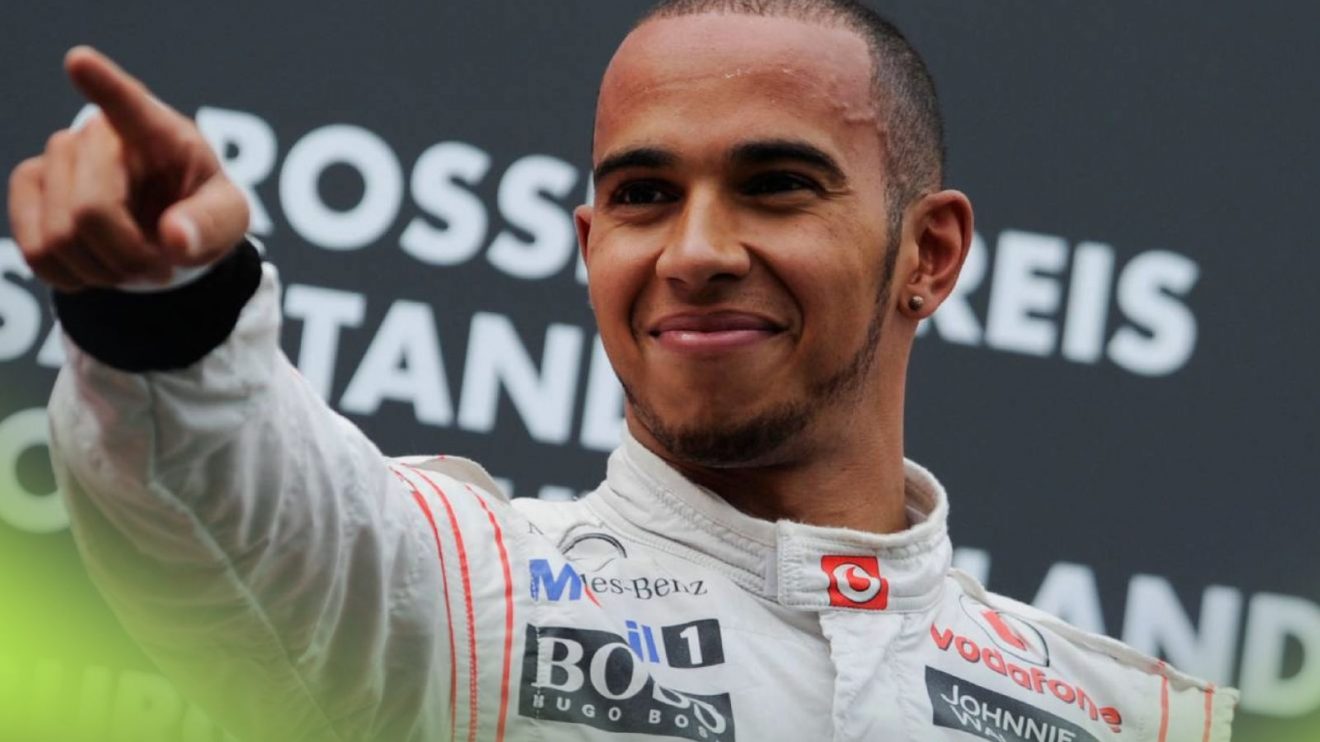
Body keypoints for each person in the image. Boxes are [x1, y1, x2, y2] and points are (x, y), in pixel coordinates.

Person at [7, 1, 1235, 740]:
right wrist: (165, 307)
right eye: (644, 195)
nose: (696, 252)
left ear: (929, 252)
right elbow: (247, 507)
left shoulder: (1124, 714)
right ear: (593, 248)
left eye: (776, 184)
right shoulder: (470, 595)